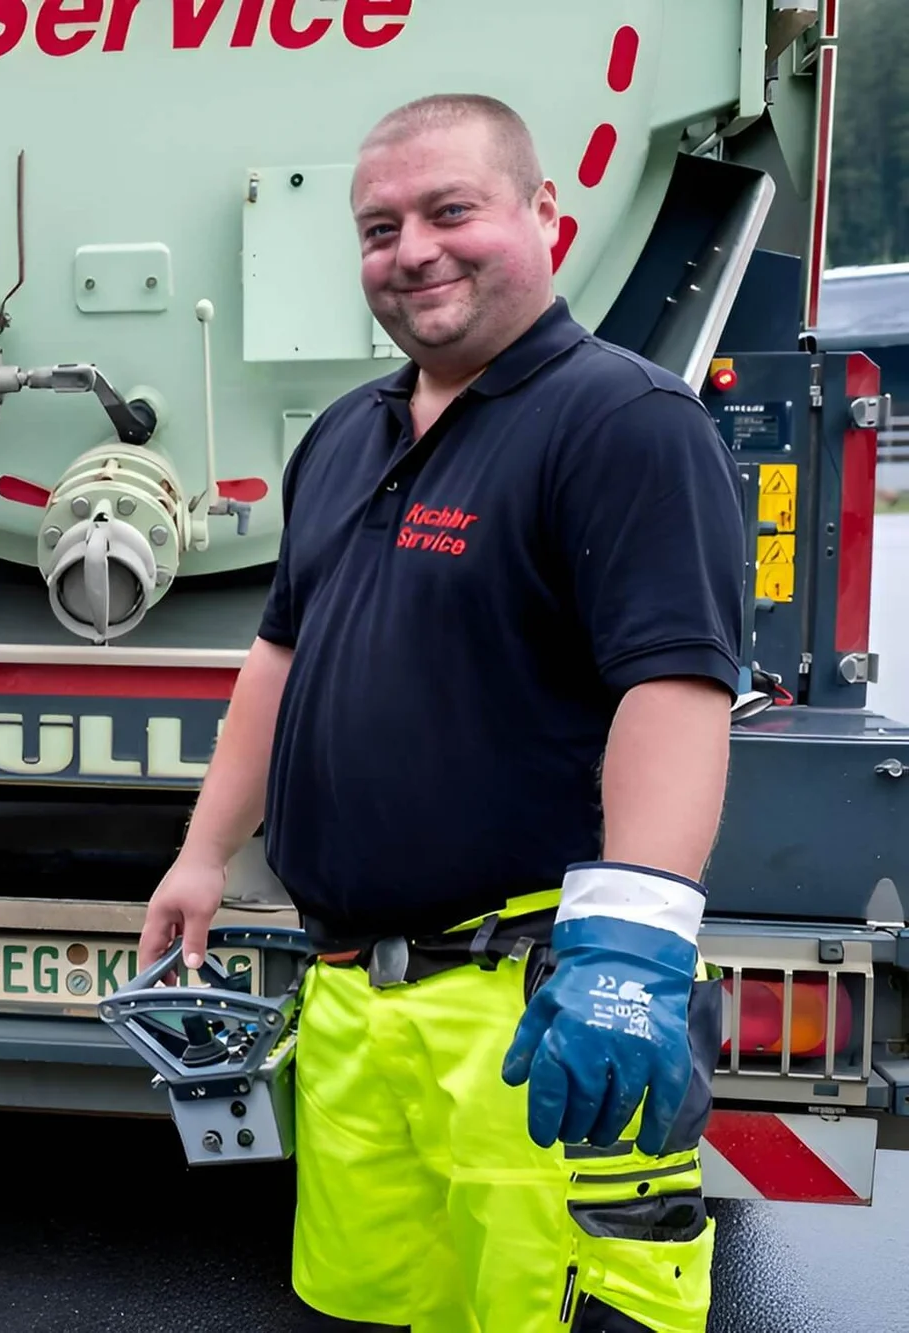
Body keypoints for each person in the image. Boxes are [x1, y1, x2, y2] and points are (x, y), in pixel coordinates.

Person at [137, 94, 745, 1333]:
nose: (410, 249)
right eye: (378, 228)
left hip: (533, 1016)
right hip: (355, 1005)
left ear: (545, 218)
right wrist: (204, 855)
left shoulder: (623, 424)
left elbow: (673, 692)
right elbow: (279, 654)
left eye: (449, 211)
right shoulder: (345, 438)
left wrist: (629, 958)